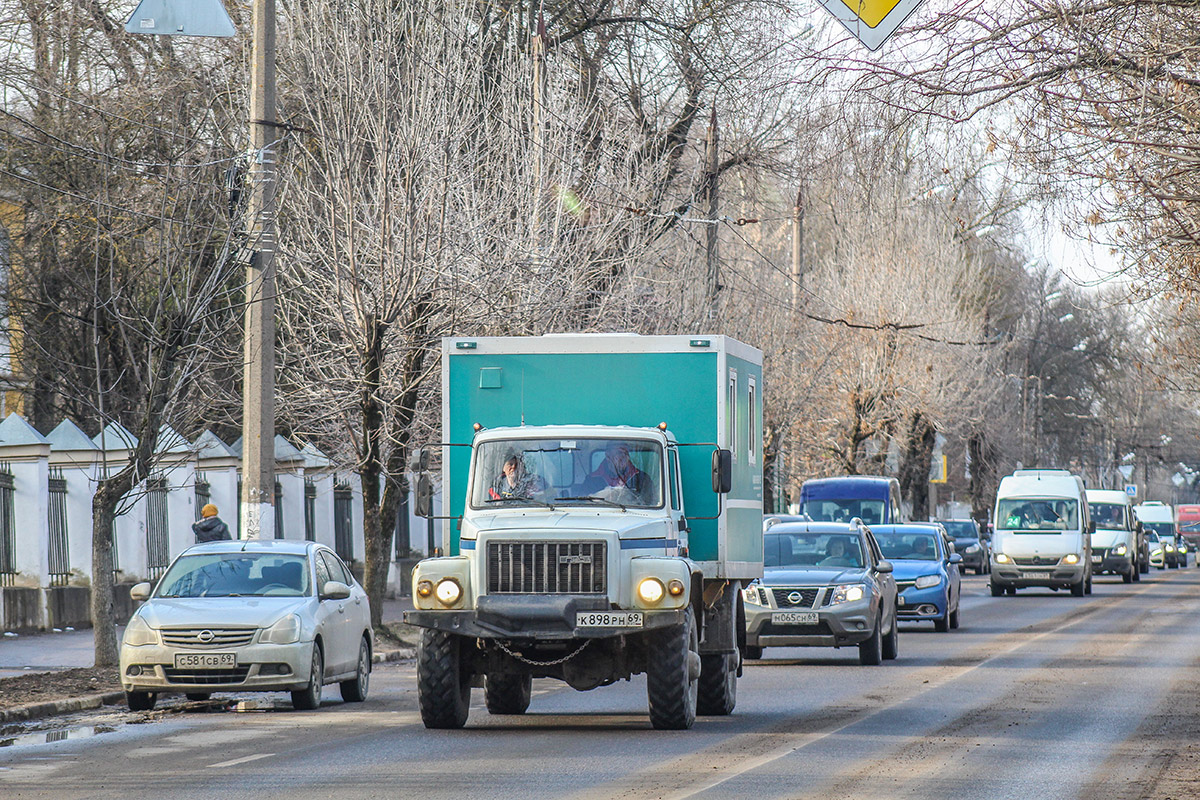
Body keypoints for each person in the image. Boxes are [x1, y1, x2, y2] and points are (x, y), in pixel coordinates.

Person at [583, 441, 650, 500]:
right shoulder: (591, 480)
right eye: (619, 452)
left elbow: (651, 502)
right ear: (607, 455)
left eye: (626, 453)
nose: (623, 456)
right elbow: (584, 504)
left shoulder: (642, 478)